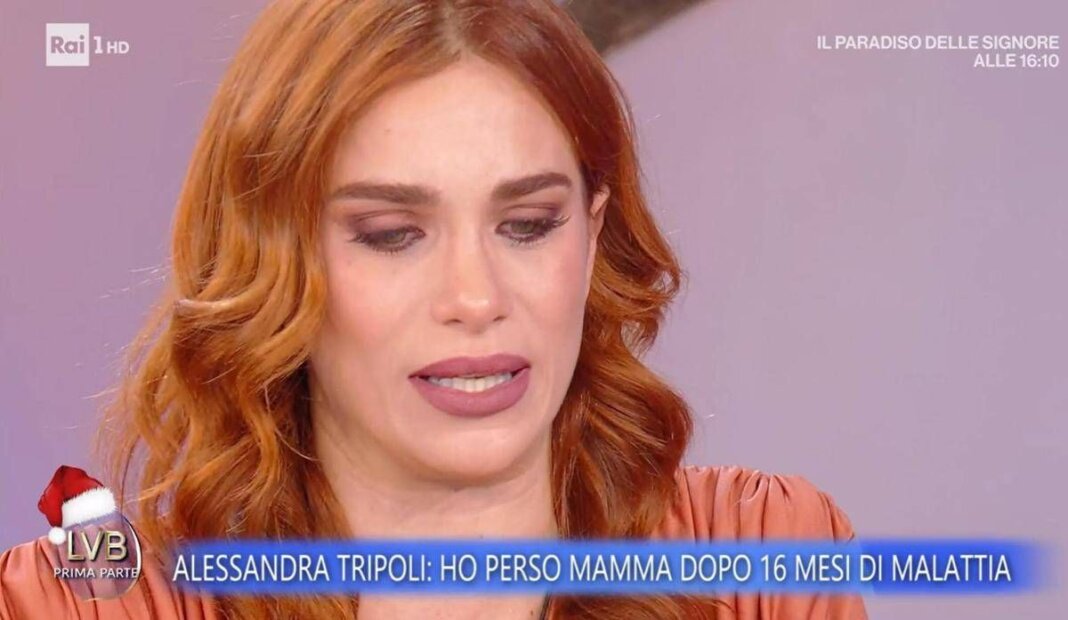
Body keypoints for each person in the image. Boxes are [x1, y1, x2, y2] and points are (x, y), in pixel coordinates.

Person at [0, 1, 866, 618]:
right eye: (391, 235)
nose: (476, 299)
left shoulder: (758, 561)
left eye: (527, 225)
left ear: (593, 234)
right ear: (275, 260)